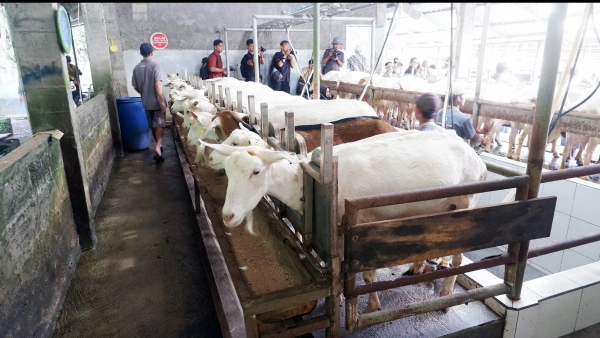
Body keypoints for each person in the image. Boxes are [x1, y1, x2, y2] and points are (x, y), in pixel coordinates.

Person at [132, 43, 168, 163]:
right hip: (156, 101)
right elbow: (157, 83)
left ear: (141, 54)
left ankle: (158, 145)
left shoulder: (136, 68)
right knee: (160, 124)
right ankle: (158, 146)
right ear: (152, 53)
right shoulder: (155, 65)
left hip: (145, 102)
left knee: (153, 124)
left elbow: (135, 86)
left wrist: (143, 92)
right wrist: (162, 100)